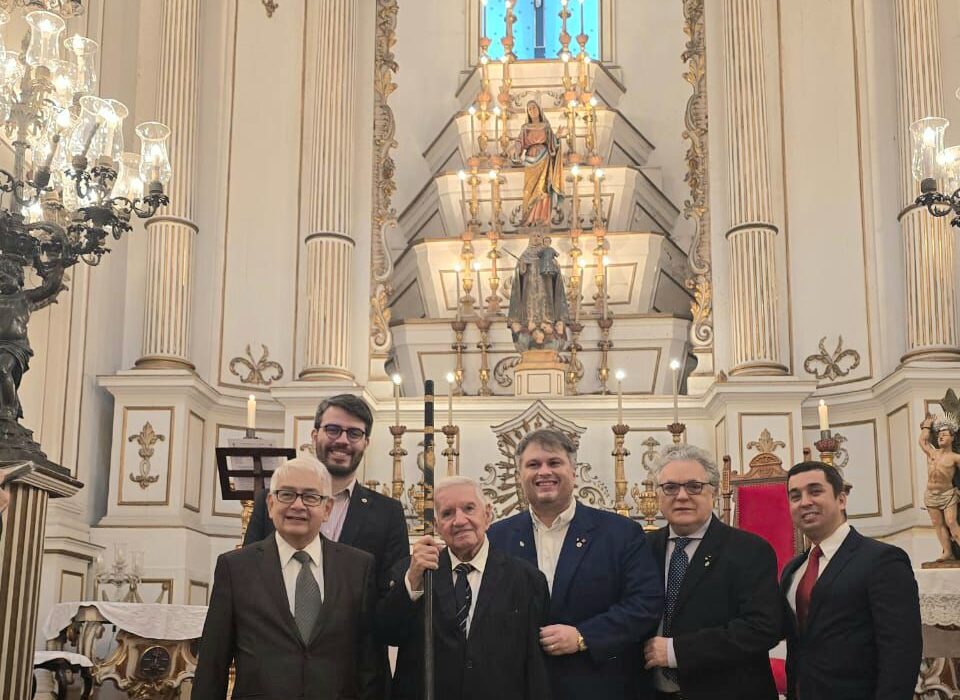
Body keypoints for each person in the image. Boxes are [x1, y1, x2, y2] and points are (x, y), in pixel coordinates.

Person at [487, 428, 663, 700]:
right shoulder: (496, 537)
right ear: (519, 474)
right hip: (519, 686)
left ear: (573, 470)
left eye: (554, 462)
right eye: (533, 464)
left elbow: (645, 603)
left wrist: (584, 636)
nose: (544, 471)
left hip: (600, 684)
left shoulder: (620, 532)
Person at [193, 456, 384, 700]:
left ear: (327, 509)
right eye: (286, 495)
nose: (298, 505)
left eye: (311, 497)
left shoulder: (358, 567)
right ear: (271, 504)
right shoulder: (235, 568)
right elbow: (213, 664)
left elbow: (369, 665)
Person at [378, 476, 551, 700]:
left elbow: (535, 666)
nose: (459, 521)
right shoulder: (413, 571)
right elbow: (387, 633)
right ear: (437, 526)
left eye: (469, 508)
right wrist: (412, 582)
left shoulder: (527, 579)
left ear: (487, 515)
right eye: (447, 513)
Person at [643, 444, 781, 700]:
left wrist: (676, 651)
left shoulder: (750, 550)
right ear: (658, 495)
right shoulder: (642, 548)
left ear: (714, 493)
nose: (682, 496)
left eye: (694, 486)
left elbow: (764, 627)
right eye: (670, 487)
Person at [781, 461, 922, 700]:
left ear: (841, 499)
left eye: (815, 491)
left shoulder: (882, 560)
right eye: (795, 496)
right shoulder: (793, 570)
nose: (805, 502)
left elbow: (901, 651)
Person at [243, 394, 409, 593]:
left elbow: (392, 594)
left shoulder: (388, 513)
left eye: (354, 433)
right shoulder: (273, 500)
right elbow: (248, 575)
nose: (342, 440)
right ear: (314, 436)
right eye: (333, 430)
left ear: (366, 442)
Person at [507, 232, 569, 352]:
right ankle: (531, 325)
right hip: (529, 290)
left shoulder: (547, 253)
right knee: (530, 308)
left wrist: (555, 266)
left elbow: (556, 272)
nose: (536, 238)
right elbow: (519, 276)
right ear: (530, 239)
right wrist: (522, 266)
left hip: (546, 290)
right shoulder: (525, 255)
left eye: (539, 236)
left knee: (546, 306)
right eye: (534, 236)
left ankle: (546, 324)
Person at [514, 99, 563, 227]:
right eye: (529, 109)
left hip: (544, 158)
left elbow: (552, 143)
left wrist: (557, 136)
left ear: (539, 110)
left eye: (534, 108)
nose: (532, 111)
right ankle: (528, 219)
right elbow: (519, 142)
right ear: (527, 112)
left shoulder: (545, 126)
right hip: (530, 160)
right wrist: (516, 151)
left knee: (543, 188)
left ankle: (541, 218)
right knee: (528, 190)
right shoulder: (525, 128)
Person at [919, 414, 960, 561]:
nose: (940, 437)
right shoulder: (932, 452)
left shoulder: (955, 457)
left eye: (944, 434)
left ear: (952, 438)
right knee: (938, 524)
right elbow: (922, 441)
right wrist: (927, 425)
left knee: (951, 522)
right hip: (930, 495)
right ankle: (947, 552)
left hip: (947, 494)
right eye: (939, 435)